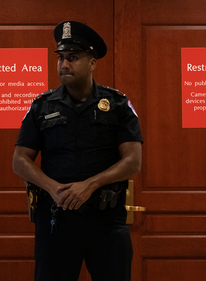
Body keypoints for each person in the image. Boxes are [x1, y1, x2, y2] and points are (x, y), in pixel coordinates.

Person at [12, 20, 143, 281]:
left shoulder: (117, 104)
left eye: (73, 58)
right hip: (56, 220)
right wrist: (52, 188)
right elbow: (19, 160)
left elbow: (133, 161)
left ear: (92, 62)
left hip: (106, 222)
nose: (64, 64)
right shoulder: (41, 106)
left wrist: (90, 185)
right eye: (60, 58)